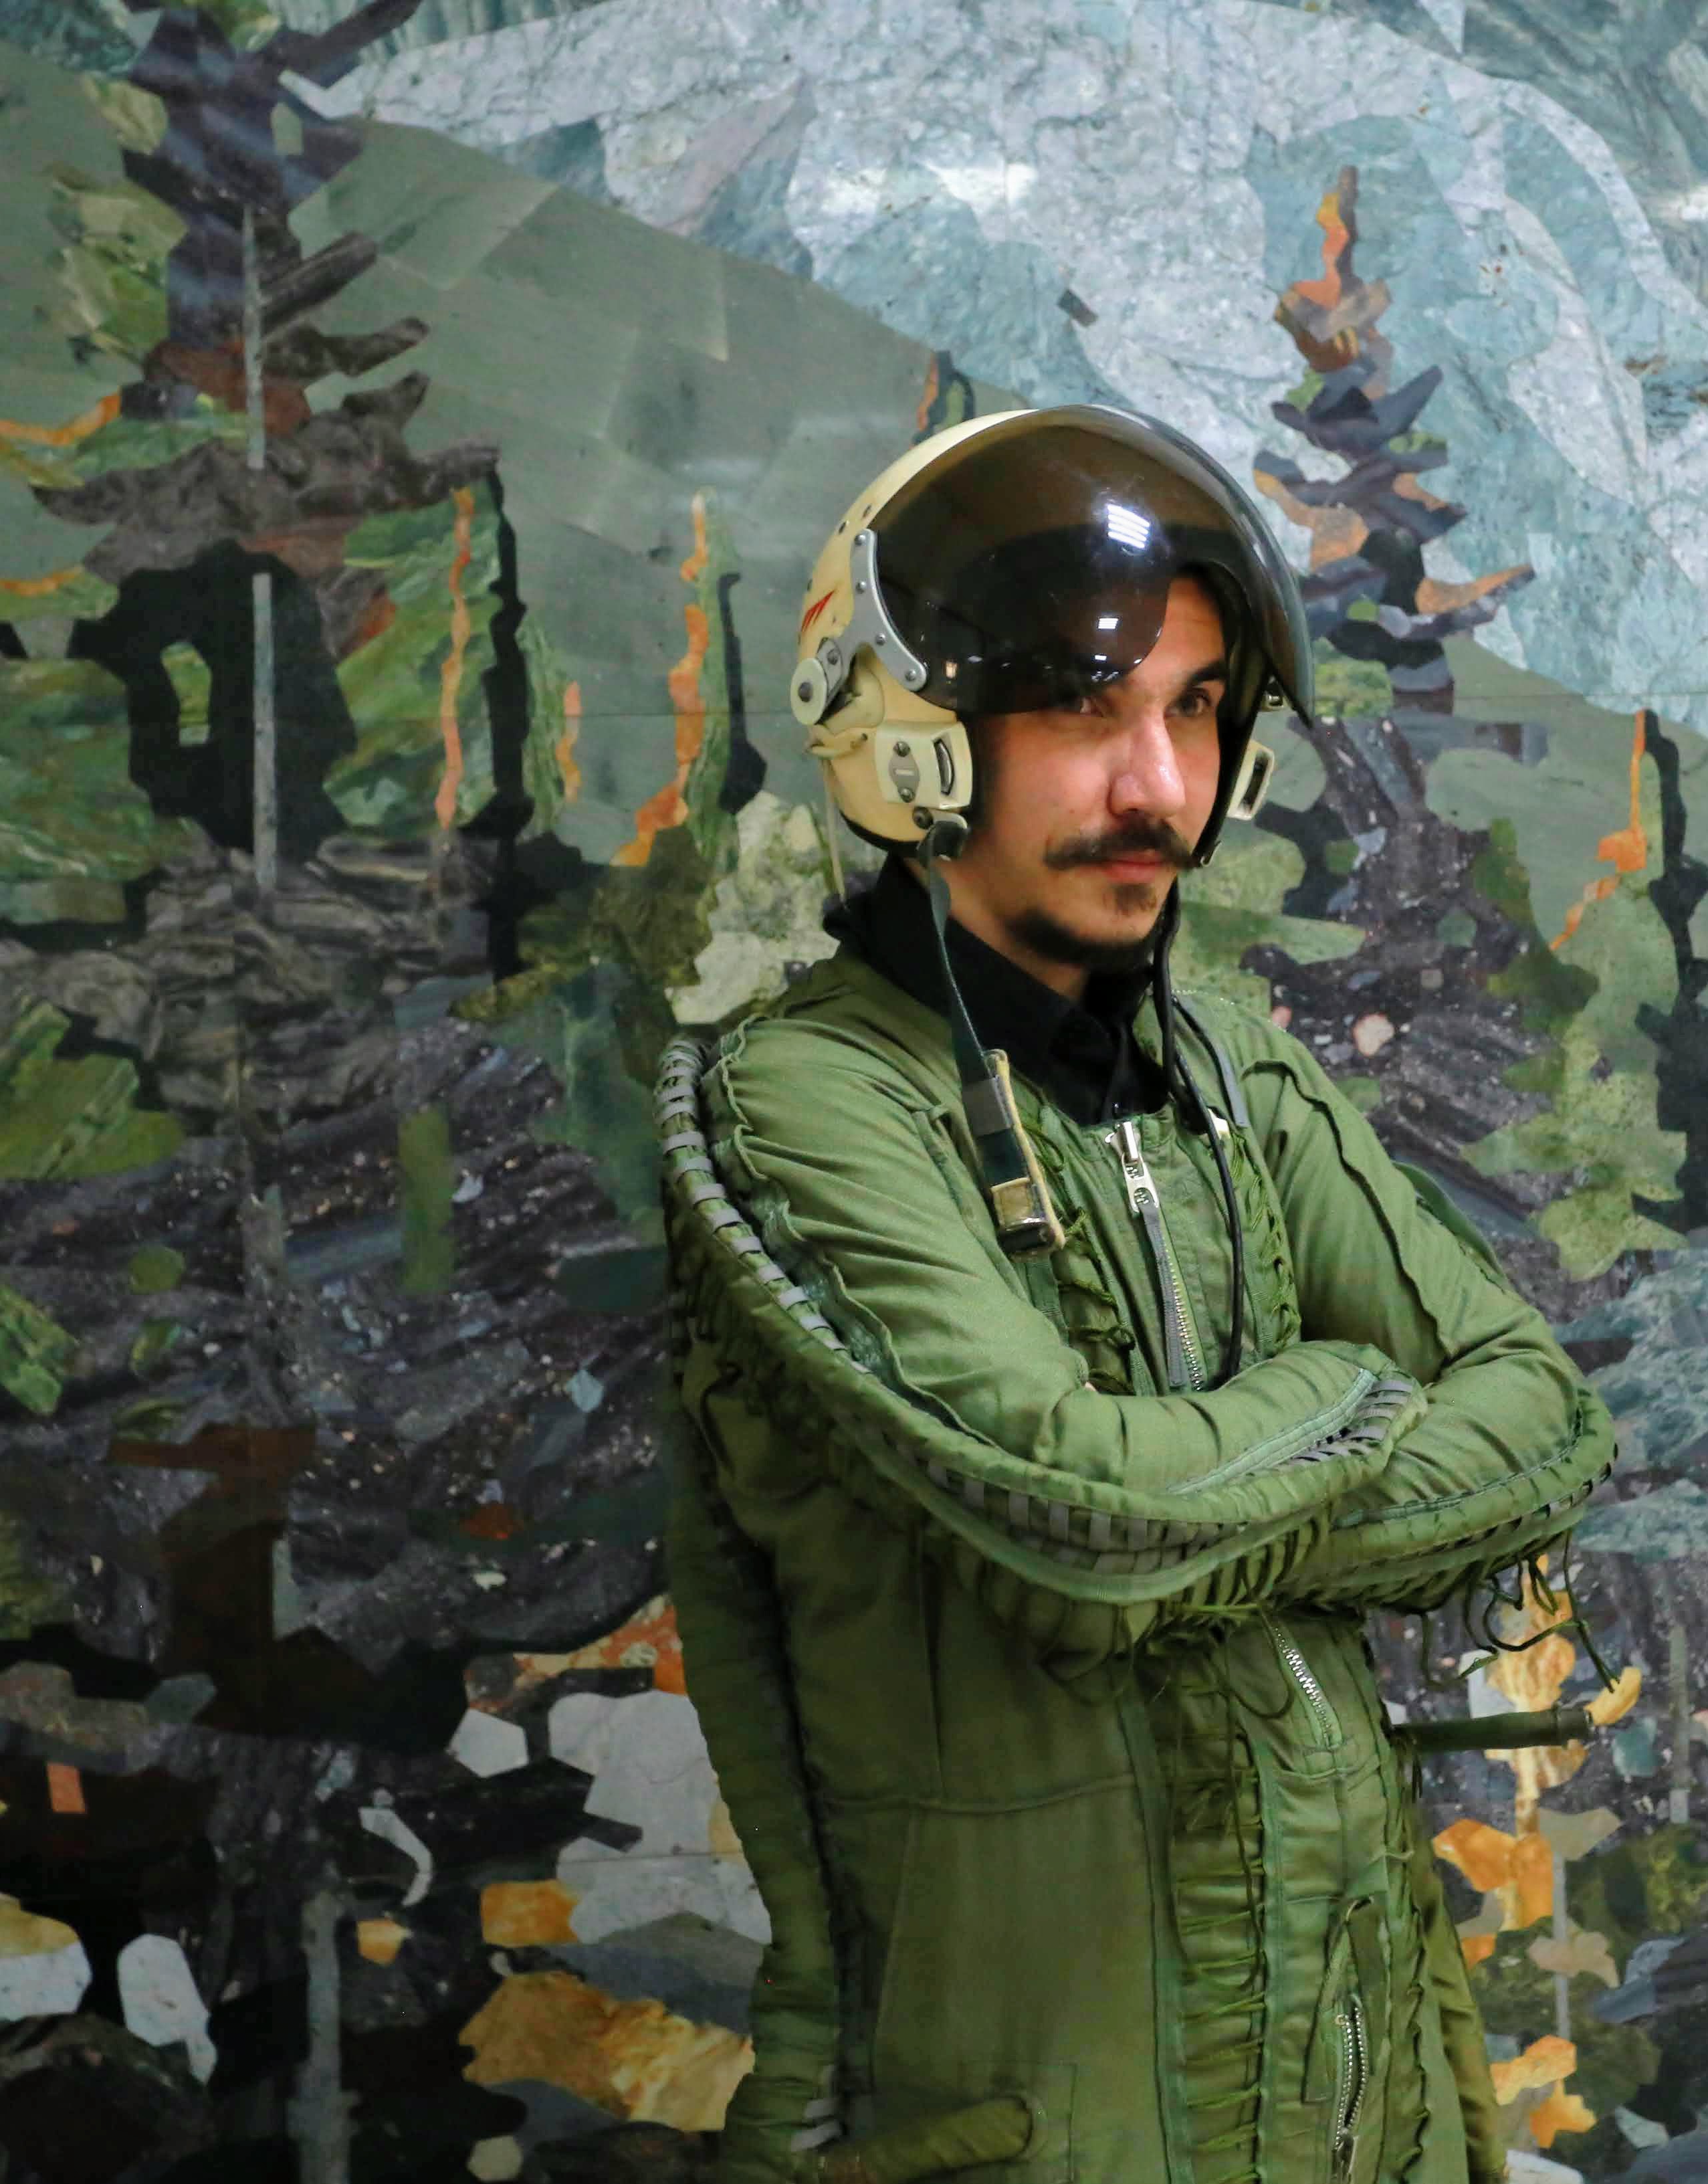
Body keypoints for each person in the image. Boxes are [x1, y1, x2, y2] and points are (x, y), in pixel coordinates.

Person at [653, 403, 1618, 2184]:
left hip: (1369, 2103)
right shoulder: (801, 1100)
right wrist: (1348, 1391)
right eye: (1086, 710)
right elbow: (1081, 1516)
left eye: (1194, 710)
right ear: (912, 741)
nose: (1158, 788)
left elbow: (1539, 1412)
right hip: (1035, 2127)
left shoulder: (1233, 1069)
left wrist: (1211, 1502)